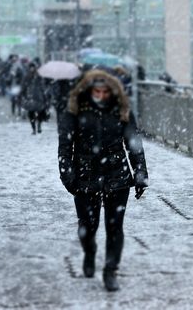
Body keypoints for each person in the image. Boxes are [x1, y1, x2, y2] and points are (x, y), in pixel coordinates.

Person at [58, 69, 149, 292]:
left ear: (112, 91)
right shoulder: (74, 110)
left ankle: (110, 270)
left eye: (104, 91)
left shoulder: (122, 109)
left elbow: (133, 143)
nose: (100, 95)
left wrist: (140, 174)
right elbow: (65, 147)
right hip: (85, 177)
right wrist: (68, 178)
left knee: (114, 227)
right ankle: (89, 252)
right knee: (88, 227)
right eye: (96, 91)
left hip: (116, 175)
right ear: (88, 91)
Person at [20, 62, 49, 134]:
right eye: (31, 67)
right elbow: (23, 87)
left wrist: (44, 95)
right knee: (31, 113)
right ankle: (34, 128)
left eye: (33, 67)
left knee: (39, 113)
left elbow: (43, 86)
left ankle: (38, 126)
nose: (32, 69)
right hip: (31, 97)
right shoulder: (27, 77)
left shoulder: (38, 76)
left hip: (37, 97)